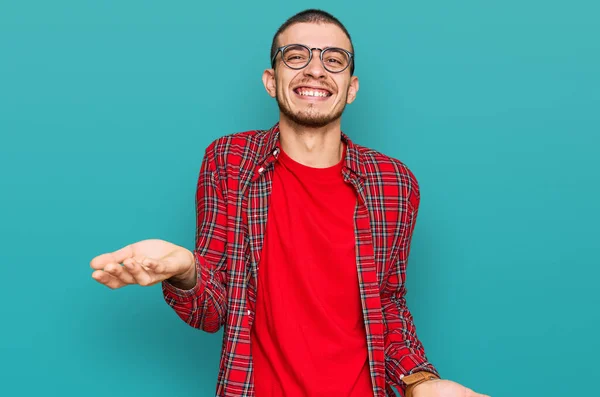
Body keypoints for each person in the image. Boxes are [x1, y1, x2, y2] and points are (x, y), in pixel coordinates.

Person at [90, 9, 490, 397]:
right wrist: (186, 269)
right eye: (296, 56)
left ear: (351, 88)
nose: (315, 69)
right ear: (271, 80)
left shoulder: (394, 184)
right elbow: (211, 312)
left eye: (334, 60)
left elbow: (387, 305)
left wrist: (420, 382)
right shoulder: (229, 161)